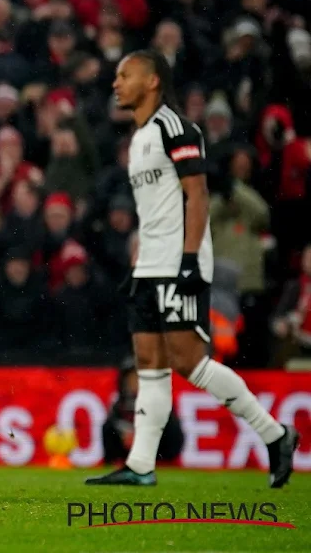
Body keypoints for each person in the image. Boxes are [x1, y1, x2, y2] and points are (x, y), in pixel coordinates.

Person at [86, 50, 297, 488]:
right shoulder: (141, 137)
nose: (116, 83)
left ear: (153, 82)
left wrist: (186, 261)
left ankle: (275, 434)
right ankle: (141, 464)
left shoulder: (176, 128)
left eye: (126, 75)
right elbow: (157, 209)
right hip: (149, 264)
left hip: (176, 263)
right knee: (149, 363)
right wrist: (141, 258)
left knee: (189, 362)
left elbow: (197, 196)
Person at [102, 357, 184, 467]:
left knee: (170, 424)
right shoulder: (119, 403)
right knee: (108, 428)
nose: (136, 383)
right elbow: (113, 426)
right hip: (127, 450)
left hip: (156, 451)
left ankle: (162, 463)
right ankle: (118, 463)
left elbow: (171, 434)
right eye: (132, 378)